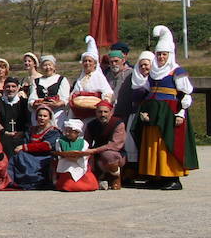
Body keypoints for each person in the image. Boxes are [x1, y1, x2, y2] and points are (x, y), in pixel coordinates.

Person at [131, 25, 198, 189]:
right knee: (153, 144)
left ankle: (173, 178)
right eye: (159, 54)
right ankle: (156, 175)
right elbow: (146, 92)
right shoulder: (153, 72)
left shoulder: (178, 71)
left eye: (164, 54)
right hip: (153, 113)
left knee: (168, 144)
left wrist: (181, 113)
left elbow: (186, 93)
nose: (161, 57)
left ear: (170, 55)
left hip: (169, 113)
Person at [11, 104, 59, 190]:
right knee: (18, 156)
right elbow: (26, 141)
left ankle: (33, 182)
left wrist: (25, 147)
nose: (42, 118)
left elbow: (46, 146)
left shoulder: (53, 131)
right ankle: (13, 180)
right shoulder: (32, 129)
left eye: (45, 116)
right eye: (40, 115)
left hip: (45, 157)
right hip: (30, 155)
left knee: (24, 156)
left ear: (49, 118)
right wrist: (23, 148)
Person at [83, 101, 128, 190]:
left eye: (105, 112)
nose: (102, 114)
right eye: (100, 112)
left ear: (111, 112)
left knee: (108, 155)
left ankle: (116, 177)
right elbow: (86, 142)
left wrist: (95, 150)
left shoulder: (118, 123)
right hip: (96, 153)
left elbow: (115, 145)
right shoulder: (91, 124)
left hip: (116, 154)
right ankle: (101, 177)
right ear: (96, 113)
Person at [69, 36, 114, 121]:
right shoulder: (81, 78)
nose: (87, 63)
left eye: (90, 61)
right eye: (85, 61)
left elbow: (107, 92)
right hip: (79, 112)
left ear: (95, 64)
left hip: (93, 114)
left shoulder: (98, 77)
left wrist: (103, 101)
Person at [0, 78, 30, 157]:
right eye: (8, 87)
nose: (10, 89)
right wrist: (4, 132)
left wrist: (22, 132)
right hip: (2, 137)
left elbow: (29, 120)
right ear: (3, 87)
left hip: (22, 137)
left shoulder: (25, 103)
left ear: (18, 88)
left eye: (13, 86)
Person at [30, 55, 70, 126]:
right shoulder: (36, 81)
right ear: (41, 67)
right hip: (40, 115)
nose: (48, 67)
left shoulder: (61, 79)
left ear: (54, 66)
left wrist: (57, 104)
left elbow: (65, 98)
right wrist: (36, 103)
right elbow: (32, 98)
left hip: (56, 114)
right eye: (45, 65)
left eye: (50, 65)